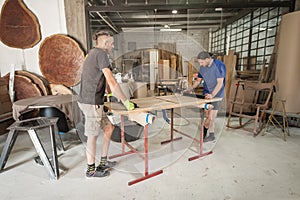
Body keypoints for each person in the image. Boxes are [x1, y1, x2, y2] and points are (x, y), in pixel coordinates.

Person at [77, 30, 135, 178]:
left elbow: (103, 79)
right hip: (91, 103)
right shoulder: (102, 54)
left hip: (92, 100)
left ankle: (103, 162)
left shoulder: (93, 53)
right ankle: (90, 170)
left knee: (108, 128)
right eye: (111, 43)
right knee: (93, 135)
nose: (113, 45)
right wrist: (125, 101)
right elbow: (111, 80)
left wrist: (108, 93)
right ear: (105, 43)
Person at [186, 51, 226, 142]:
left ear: (208, 59)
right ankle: (211, 135)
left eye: (202, 62)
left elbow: (220, 83)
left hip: (217, 95)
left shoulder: (219, 65)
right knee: (208, 115)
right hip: (206, 94)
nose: (201, 64)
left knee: (211, 117)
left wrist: (212, 95)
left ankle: (202, 136)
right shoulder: (202, 67)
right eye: (199, 62)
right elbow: (198, 81)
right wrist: (190, 88)